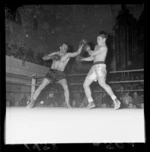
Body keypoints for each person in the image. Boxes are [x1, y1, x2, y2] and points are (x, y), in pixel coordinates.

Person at [27, 42, 84, 108]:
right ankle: (32, 101)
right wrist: (51, 57)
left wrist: (81, 46)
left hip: (60, 73)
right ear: (60, 47)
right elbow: (44, 58)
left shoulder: (68, 55)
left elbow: (77, 53)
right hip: (52, 72)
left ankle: (68, 104)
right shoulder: (55, 53)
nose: (65, 48)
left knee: (65, 87)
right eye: (64, 46)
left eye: (66, 47)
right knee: (41, 86)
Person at [80, 31, 121, 109]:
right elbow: (93, 57)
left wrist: (88, 50)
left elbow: (92, 54)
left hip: (100, 66)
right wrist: (84, 59)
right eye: (97, 39)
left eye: (99, 39)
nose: (97, 41)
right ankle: (91, 102)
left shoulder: (104, 48)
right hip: (93, 67)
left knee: (102, 83)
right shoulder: (96, 47)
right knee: (85, 85)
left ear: (104, 40)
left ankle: (116, 100)